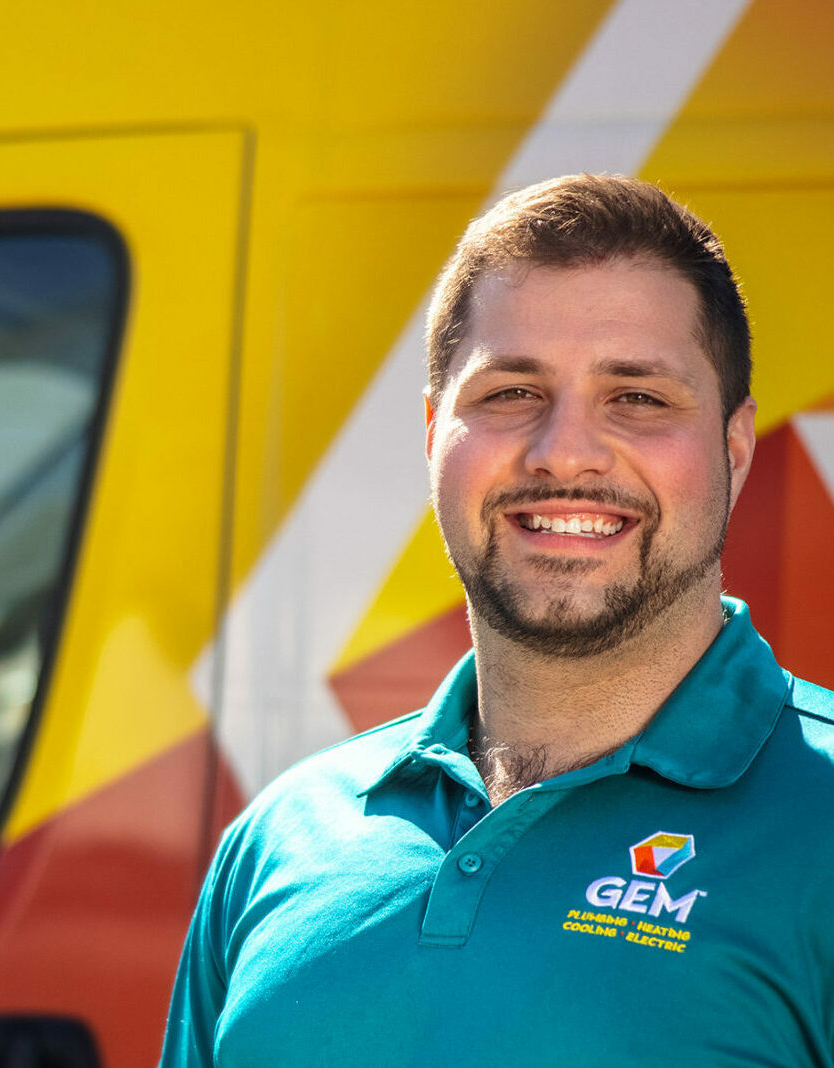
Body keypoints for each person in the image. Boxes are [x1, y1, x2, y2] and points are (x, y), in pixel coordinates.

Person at [160, 175, 834, 1067]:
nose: (563, 451)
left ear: (733, 447)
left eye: (636, 398)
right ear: (436, 433)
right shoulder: (282, 836)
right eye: (511, 392)